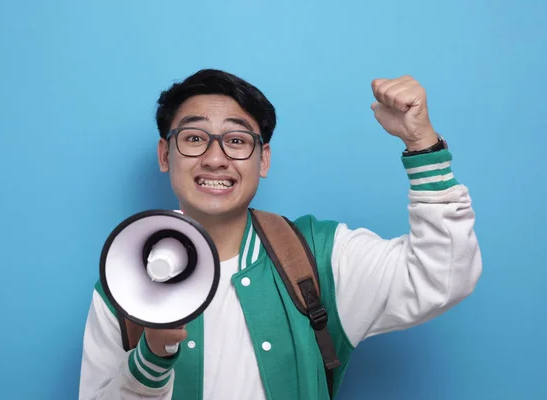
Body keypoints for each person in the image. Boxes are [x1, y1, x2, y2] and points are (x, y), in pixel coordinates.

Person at [78, 69, 482, 400]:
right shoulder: (123, 281)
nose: (215, 158)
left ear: (263, 159)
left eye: (237, 141)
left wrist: (421, 143)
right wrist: (153, 355)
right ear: (165, 155)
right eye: (195, 138)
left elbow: (442, 277)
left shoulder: (318, 256)